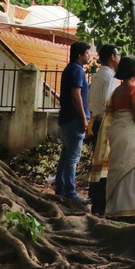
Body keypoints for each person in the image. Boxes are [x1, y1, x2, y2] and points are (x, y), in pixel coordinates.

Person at [104, 56, 135, 221]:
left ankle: (116, 209)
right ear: (133, 70)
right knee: (132, 171)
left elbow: (125, 111)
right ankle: (129, 210)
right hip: (132, 134)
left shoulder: (117, 91)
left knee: (119, 170)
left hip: (118, 133)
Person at [55, 41, 91, 202]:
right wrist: (83, 117)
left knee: (66, 156)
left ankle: (61, 189)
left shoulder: (69, 69)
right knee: (72, 159)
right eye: (88, 53)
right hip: (74, 120)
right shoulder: (77, 71)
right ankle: (70, 192)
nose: (89, 56)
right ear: (80, 55)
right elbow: (76, 95)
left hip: (66, 118)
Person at [87, 43, 120, 215]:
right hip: (107, 123)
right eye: (118, 55)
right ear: (113, 57)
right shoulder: (111, 78)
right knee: (105, 167)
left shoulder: (97, 76)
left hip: (96, 121)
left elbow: (91, 101)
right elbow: (110, 103)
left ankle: (97, 203)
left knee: (98, 163)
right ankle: (102, 204)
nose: (119, 58)